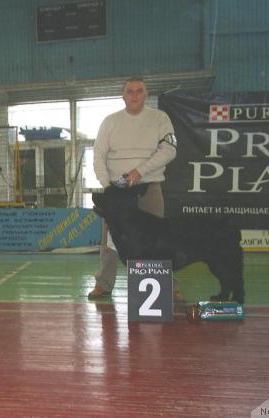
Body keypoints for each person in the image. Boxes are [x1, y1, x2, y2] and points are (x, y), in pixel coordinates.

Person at [88, 77, 184, 302]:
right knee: (111, 242)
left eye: (139, 91)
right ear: (123, 95)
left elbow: (170, 150)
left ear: (146, 94)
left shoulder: (160, 118)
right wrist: (107, 186)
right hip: (117, 193)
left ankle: (166, 286)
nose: (134, 95)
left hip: (149, 188)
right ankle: (103, 284)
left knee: (158, 240)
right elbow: (98, 154)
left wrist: (139, 171)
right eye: (129, 91)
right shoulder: (110, 122)